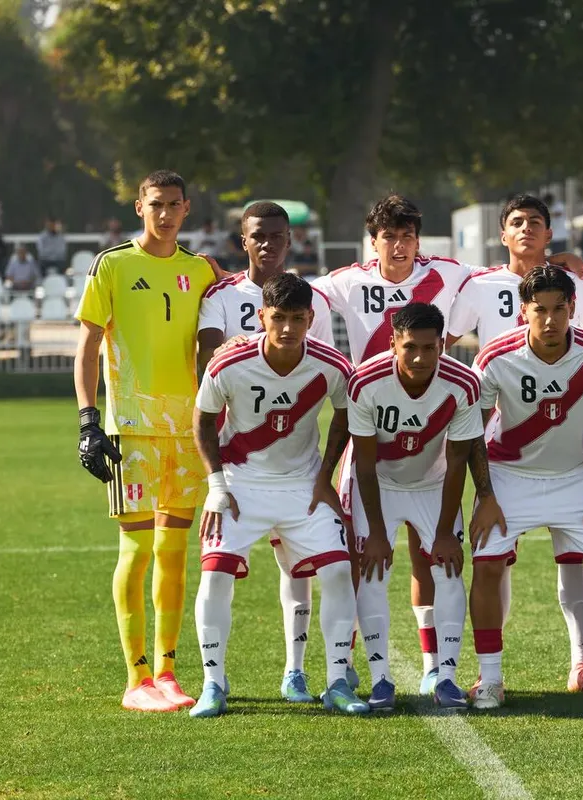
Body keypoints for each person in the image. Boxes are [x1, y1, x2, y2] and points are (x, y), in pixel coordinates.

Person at [312, 194, 583, 696]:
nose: (399, 247)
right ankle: (356, 667)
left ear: (419, 241)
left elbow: (514, 269)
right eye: (388, 237)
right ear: (371, 241)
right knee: (364, 560)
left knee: (440, 558)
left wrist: (562, 263)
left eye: (408, 237)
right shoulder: (345, 280)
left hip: (439, 438)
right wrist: (242, 334)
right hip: (371, 429)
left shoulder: (455, 274)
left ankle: (442, 669)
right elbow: (286, 302)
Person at [73, 170, 222, 712]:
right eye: (155, 204)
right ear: (139, 207)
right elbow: (88, 345)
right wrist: (89, 421)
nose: (165, 213)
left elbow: (244, 299)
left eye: (174, 205)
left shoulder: (201, 269)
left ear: (187, 210)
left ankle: (168, 671)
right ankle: (135, 679)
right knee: (136, 551)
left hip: (187, 434)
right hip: (129, 431)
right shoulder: (112, 265)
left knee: (173, 551)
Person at [446, 194, 583, 694]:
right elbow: (443, 341)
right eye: (516, 223)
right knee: (495, 559)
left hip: (566, 441)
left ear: (550, 232)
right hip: (504, 443)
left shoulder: (576, 281)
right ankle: (488, 673)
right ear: (502, 234)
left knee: (576, 560)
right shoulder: (480, 283)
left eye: (536, 223)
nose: (526, 230)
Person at [190, 273, 364, 717]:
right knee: (215, 576)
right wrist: (215, 486)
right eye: (278, 318)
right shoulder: (228, 363)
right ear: (262, 316)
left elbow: (344, 417)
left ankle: (337, 682)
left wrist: (325, 477)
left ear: (311, 318)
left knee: (339, 573)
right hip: (239, 486)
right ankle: (213, 683)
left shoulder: (332, 365)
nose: (287, 328)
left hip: (303, 488)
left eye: (297, 319)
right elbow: (203, 420)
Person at [196, 201, 338, 704]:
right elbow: (209, 361)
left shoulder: (310, 296)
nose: (268, 244)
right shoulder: (222, 294)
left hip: (297, 460)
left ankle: (295, 672)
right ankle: (213, 681)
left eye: (277, 236)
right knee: (215, 567)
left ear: (289, 241)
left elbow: (316, 370)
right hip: (239, 460)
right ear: (243, 240)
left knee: (297, 572)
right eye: (259, 236)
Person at [470, 266, 583, 708]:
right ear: (524, 312)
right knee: (486, 566)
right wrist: (485, 497)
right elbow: (471, 430)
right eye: (540, 309)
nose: (551, 319)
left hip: (575, 477)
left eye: (560, 308)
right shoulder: (495, 356)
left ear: (573, 308)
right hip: (508, 477)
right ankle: (490, 680)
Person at [351, 303, 489, 712]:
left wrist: (445, 531)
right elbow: (362, 463)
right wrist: (376, 533)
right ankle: (379, 680)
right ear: (393, 342)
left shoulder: (462, 383)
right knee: (373, 573)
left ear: (442, 345)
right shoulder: (367, 382)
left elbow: (459, 459)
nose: (419, 358)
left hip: (433, 483)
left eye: (430, 348)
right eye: (409, 347)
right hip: (379, 482)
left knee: (447, 568)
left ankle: (446, 676)